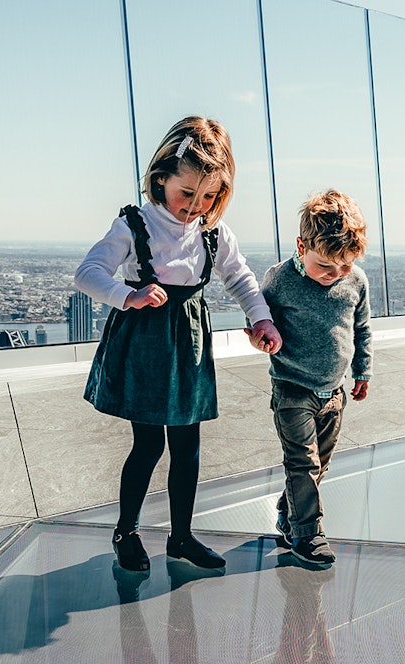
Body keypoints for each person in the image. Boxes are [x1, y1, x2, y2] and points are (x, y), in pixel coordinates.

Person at [74, 116, 282, 573]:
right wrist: (128, 296)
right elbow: (87, 273)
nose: (195, 206)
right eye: (187, 193)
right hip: (145, 342)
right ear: (161, 177)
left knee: (188, 446)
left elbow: (240, 278)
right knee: (148, 445)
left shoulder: (213, 231)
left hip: (188, 344)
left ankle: (181, 537)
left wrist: (261, 319)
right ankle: (126, 532)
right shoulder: (134, 225)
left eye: (209, 196)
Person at [254, 189, 372, 567]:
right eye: (326, 266)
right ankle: (308, 534)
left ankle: (289, 512)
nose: (335, 276)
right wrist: (261, 335)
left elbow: (361, 328)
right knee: (302, 463)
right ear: (302, 246)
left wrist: (362, 370)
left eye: (344, 267)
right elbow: (260, 316)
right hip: (291, 387)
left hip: (334, 391)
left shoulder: (356, 282)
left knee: (319, 464)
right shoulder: (280, 279)